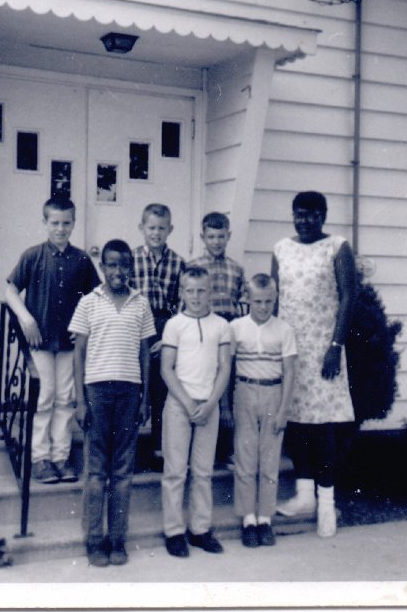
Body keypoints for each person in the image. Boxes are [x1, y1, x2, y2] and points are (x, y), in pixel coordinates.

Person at [271, 190, 356, 537]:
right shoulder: (281, 248)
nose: (304, 221)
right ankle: (304, 495)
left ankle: (326, 504)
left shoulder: (337, 246)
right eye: (298, 214)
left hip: (324, 349)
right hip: (291, 349)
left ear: (323, 215)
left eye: (311, 214)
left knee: (323, 426)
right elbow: (274, 299)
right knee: (296, 421)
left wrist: (336, 345)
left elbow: (350, 295)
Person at [68, 240, 155, 567]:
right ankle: (93, 539)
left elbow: (145, 353)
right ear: (102, 267)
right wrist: (80, 399)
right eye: (111, 265)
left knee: (122, 471)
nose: (117, 271)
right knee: (96, 471)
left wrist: (145, 397)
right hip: (97, 393)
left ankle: (117, 538)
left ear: (130, 267)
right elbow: (78, 353)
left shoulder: (140, 303)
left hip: (130, 393)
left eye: (123, 265)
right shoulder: (89, 303)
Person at [6, 197, 100, 484]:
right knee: (44, 397)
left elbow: (95, 297)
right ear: (44, 223)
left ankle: (60, 457)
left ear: (74, 223)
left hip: (69, 344)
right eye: (55, 223)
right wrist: (26, 318)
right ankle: (40, 458)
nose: (61, 228)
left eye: (66, 223)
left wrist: (85, 325)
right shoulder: (33, 256)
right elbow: (11, 289)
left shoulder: (82, 259)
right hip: (40, 341)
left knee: (65, 399)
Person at [159, 266, 232, 557]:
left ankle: (200, 529)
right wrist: (188, 403)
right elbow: (166, 368)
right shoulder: (174, 325)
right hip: (180, 404)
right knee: (175, 470)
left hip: (209, 404)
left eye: (202, 290)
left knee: (203, 471)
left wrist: (211, 402)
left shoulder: (221, 326)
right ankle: (174, 531)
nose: (196, 296)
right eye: (190, 290)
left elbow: (225, 367)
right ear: (182, 292)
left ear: (210, 292)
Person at [230, 274, 296, 548]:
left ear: (275, 298)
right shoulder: (235, 327)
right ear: (248, 299)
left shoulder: (283, 330)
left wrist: (284, 410)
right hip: (244, 391)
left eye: (268, 301)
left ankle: (265, 519)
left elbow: (291, 372)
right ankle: (248, 519)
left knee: (269, 460)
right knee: (245, 458)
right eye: (257, 301)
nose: (263, 307)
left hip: (273, 393)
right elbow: (227, 366)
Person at [130, 203, 185, 471]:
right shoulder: (131, 259)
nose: (156, 233)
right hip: (136, 323)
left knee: (162, 387)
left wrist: (171, 335)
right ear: (142, 228)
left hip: (166, 324)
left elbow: (181, 302)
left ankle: (159, 449)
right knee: (136, 384)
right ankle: (129, 450)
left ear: (170, 230)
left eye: (162, 228)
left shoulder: (178, 262)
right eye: (151, 228)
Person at [188, 211, 245, 468]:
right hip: (205, 328)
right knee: (205, 384)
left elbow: (242, 302)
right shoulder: (195, 266)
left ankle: (226, 449)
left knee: (227, 387)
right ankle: (200, 450)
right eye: (211, 236)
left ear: (228, 236)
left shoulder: (236, 268)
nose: (216, 241)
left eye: (221, 236)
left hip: (229, 328)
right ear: (203, 237)